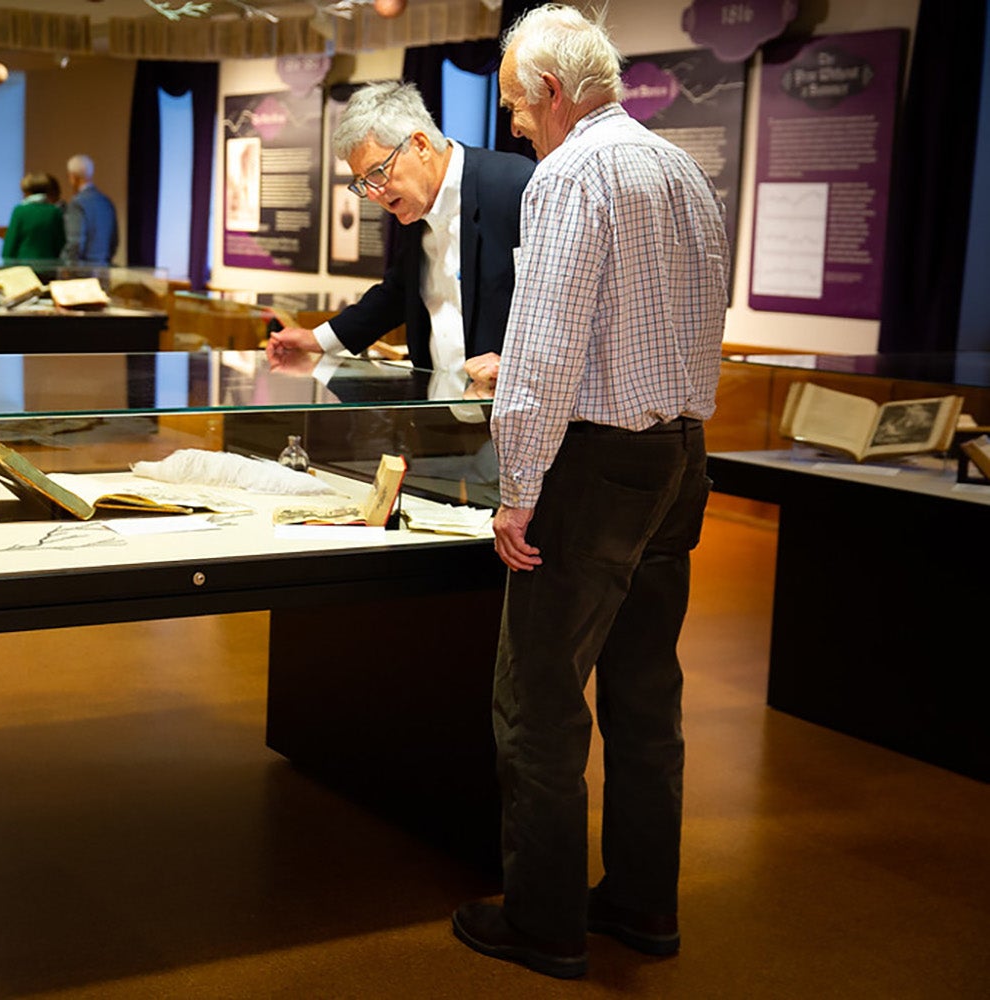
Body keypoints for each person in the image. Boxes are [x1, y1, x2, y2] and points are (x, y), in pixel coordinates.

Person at [448, 4, 730, 981]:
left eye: (518, 108)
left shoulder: (569, 174)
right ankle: (645, 904)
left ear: (555, 93)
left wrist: (518, 484)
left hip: (595, 468)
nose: (516, 127)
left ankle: (544, 918)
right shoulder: (681, 168)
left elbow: (545, 346)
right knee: (648, 696)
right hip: (681, 456)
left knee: (540, 699)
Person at [264, 81, 534, 382]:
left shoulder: (514, 187)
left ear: (419, 145)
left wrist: (520, 365)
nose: (374, 194)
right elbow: (398, 292)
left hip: (507, 404)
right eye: (362, 182)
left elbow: (558, 303)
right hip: (436, 406)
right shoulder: (415, 204)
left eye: (377, 172)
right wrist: (318, 339)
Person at [60, 153, 119, 265]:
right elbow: (114, 241)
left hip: (82, 271)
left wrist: (68, 265)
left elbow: (75, 243)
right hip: (103, 267)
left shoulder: (77, 203)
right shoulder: (106, 201)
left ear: (73, 177)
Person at [1, 172, 65, 263]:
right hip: (49, 268)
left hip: (24, 268)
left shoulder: (20, 211)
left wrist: (6, 265)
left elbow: (10, 245)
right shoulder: (54, 211)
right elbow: (60, 244)